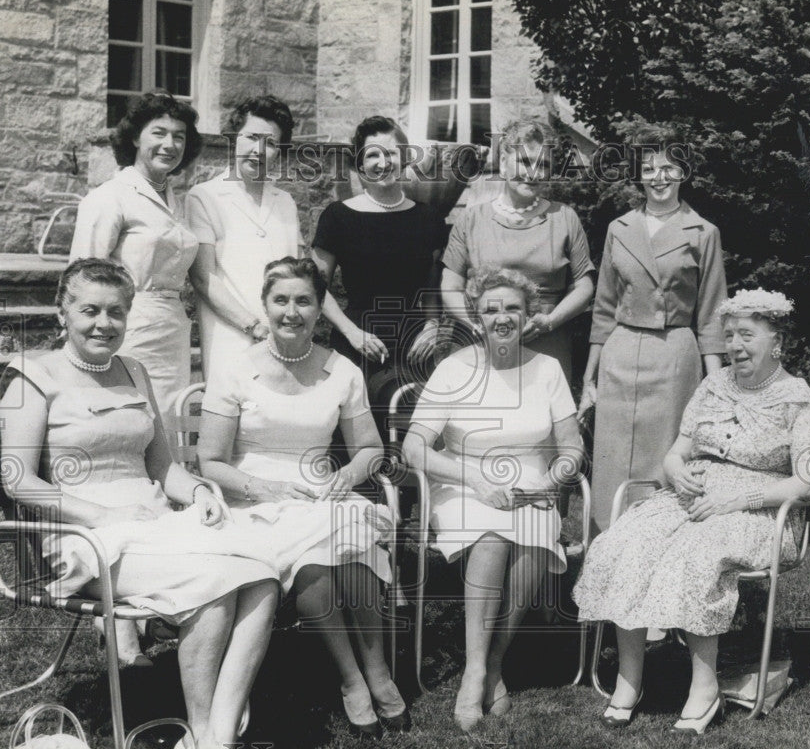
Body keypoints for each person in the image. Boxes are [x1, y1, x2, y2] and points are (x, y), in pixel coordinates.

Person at [0, 258, 288, 749]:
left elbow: (163, 469)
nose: (103, 324)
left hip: (152, 524)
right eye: (89, 310)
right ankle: (203, 736)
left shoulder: (134, 371)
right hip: (83, 534)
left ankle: (216, 732)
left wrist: (198, 491)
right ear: (62, 312)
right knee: (213, 585)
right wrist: (103, 515)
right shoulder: (33, 374)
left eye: (116, 312)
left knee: (262, 578)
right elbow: (17, 480)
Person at [572, 289, 810, 734]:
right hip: (692, 496)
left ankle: (704, 687)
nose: (735, 345)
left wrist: (736, 500)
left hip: (761, 509)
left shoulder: (796, 397)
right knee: (621, 542)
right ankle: (629, 679)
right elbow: (676, 454)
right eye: (729, 335)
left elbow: (807, 483)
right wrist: (677, 472)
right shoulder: (712, 385)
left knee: (699, 553)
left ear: (776, 341)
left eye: (747, 335)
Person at [196, 257, 409, 740]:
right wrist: (262, 488)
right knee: (313, 561)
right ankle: (351, 679)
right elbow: (209, 462)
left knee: (355, 549)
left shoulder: (343, 372)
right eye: (281, 300)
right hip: (255, 500)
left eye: (304, 301)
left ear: (319, 309)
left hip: (320, 491)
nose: (292, 312)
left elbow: (370, 450)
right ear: (265, 305)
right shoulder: (233, 371)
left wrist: (352, 471)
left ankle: (377, 671)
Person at [402, 267, 585, 732]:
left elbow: (572, 448)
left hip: (530, 483)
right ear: (477, 318)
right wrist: (477, 481)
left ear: (528, 315)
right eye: (491, 309)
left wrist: (552, 479)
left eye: (512, 309)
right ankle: (476, 672)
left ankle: (491, 662)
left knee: (532, 535)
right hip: (462, 480)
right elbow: (414, 447)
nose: (502, 318)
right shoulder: (453, 367)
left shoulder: (547, 369)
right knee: (489, 534)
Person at [578, 123, 728, 533]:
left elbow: (712, 314)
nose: (659, 178)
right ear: (637, 176)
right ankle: (602, 558)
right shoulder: (619, 229)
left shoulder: (704, 233)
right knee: (611, 458)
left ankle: (654, 556)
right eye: (649, 169)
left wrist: (716, 386)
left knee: (662, 458)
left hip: (674, 355)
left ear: (683, 173)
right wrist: (589, 378)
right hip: (620, 354)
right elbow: (604, 308)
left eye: (669, 168)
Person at [69, 91, 203, 434]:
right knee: (130, 421)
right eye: (158, 133)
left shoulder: (177, 201)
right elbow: (82, 278)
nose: (169, 144)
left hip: (173, 330)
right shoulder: (109, 197)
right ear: (134, 137)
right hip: (128, 328)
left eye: (179, 136)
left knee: (170, 426)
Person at [311, 115, 449, 442]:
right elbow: (315, 286)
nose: (382, 162)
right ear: (360, 164)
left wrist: (432, 327)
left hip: (414, 347)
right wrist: (351, 331)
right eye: (372, 154)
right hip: (357, 343)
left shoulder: (429, 218)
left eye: (391, 152)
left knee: (411, 442)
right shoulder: (338, 217)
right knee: (357, 442)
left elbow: (434, 287)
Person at [439, 119, 595, 383]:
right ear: (503, 163)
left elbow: (584, 287)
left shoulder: (565, 218)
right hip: (481, 340)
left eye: (543, 165)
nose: (533, 173)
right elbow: (450, 287)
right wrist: (476, 324)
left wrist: (550, 320)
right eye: (524, 162)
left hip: (546, 341)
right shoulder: (472, 219)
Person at [187, 95, 304, 383]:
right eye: (251, 137)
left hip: (285, 337)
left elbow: (299, 272)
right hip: (231, 337)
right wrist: (254, 327)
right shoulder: (205, 197)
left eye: (272, 143)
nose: (259, 150)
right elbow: (204, 278)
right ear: (234, 140)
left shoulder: (285, 201)